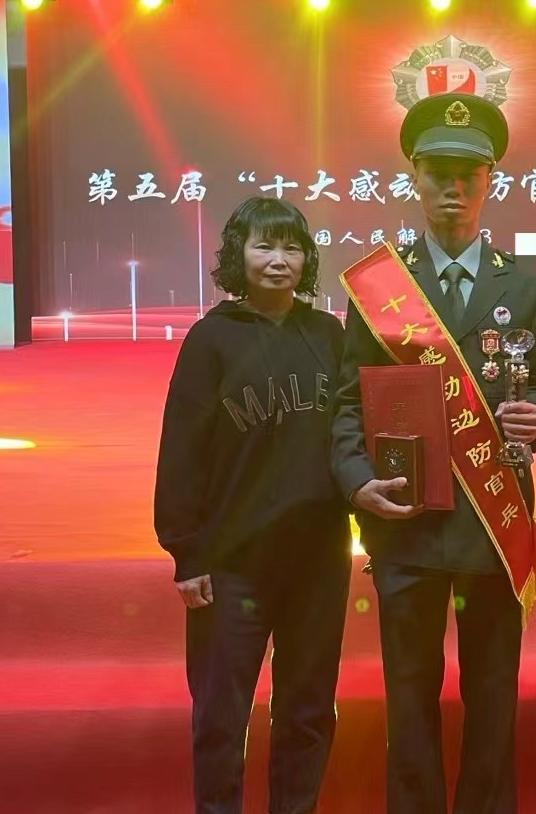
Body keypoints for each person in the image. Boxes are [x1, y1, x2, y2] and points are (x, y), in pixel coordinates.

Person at [332, 92, 536, 814]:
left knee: (493, 694)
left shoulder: (529, 280)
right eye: (437, 173)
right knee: (408, 695)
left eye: (468, 174)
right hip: (407, 520)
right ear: (415, 178)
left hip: (494, 520)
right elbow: (347, 401)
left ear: (492, 180)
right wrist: (357, 481)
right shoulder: (379, 285)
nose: (453, 188)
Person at [154, 196, 350, 814]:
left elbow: (356, 433)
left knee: (309, 710)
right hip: (233, 561)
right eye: (264, 245)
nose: (278, 259)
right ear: (238, 255)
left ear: (307, 259)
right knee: (221, 714)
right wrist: (187, 552)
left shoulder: (329, 335)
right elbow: (181, 449)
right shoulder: (210, 339)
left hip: (318, 560)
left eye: (292, 247)